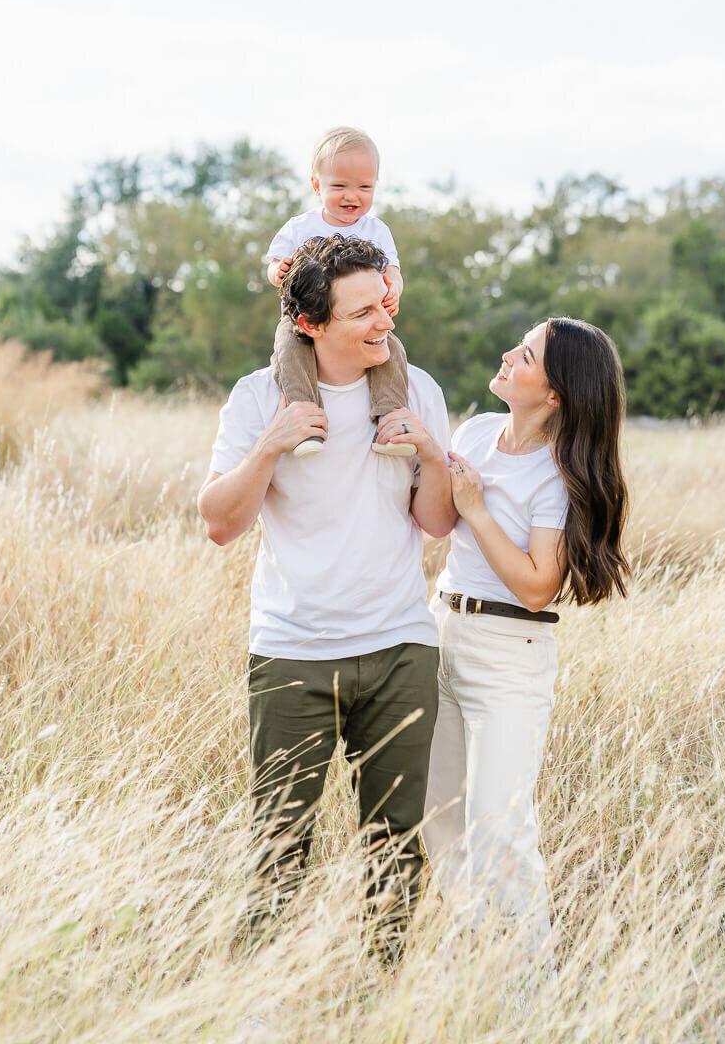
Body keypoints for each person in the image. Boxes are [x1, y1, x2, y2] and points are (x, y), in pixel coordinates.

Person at [197, 234, 455, 961]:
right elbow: (219, 523)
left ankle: (381, 1001)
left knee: (396, 850)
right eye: (363, 314)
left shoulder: (416, 389)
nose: (384, 323)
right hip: (293, 655)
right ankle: (258, 1004)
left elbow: (435, 522)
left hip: (401, 646)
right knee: (278, 847)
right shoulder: (259, 396)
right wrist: (271, 445)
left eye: (385, 305)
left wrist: (432, 453)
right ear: (310, 324)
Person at [423, 317, 630, 966]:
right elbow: (435, 520)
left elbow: (538, 585)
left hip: (511, 654)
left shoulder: (558, 476)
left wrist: (477, 508)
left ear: (557, 394)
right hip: (441, 631)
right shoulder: (476, 433)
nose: (509, 355)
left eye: (529, 355)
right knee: (439, 818)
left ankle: (529, 993)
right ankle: (473, 962)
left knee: (499, 827)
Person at [265, 126, 413, 458]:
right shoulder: (300, 227)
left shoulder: (376, 229)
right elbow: (273, 264)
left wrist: (395, 289)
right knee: (289, 351)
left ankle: (390, 417)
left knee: (392, 352)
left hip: (363, 321)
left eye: (364, 187)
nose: (352, 196)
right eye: (339, 186)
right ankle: (305, 420)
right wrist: (279, 271)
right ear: (317, 185)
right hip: (302, 317)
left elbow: (392, 269)